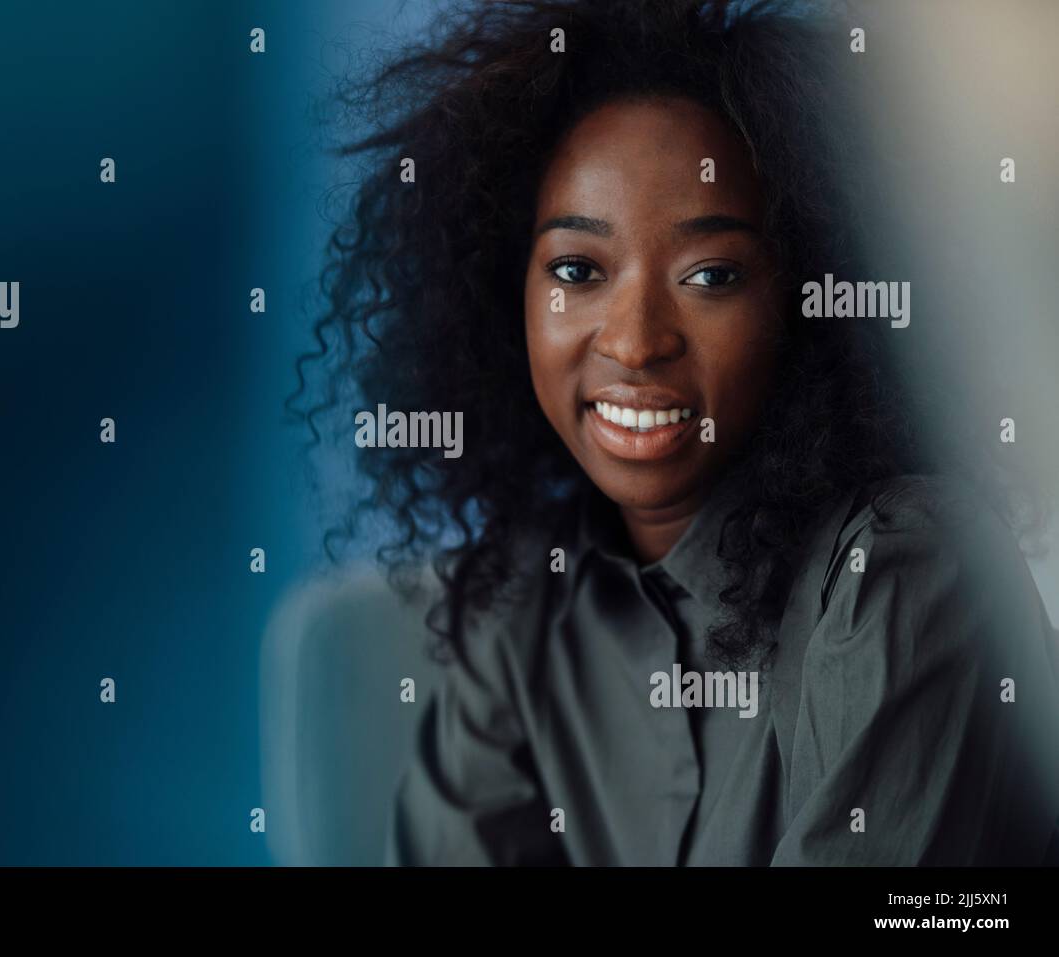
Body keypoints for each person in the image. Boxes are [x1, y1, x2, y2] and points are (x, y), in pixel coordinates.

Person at [291, 0, 1059, 865]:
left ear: (808, 304)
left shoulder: (904, 573)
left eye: (711, 274)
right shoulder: (516, 612)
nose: (633, 340)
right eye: (578, 270)